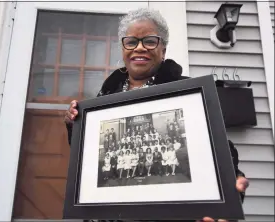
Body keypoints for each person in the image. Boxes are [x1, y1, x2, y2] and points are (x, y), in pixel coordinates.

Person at [64, 7, 248, 222]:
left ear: (163, 49)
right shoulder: (105, 96)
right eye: (131, 42)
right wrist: (75, 125)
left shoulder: (188, 94)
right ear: (123, 49)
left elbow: (220, 150)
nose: (139, 48)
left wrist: (230, 181)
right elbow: (90, 156)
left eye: (150, 41)